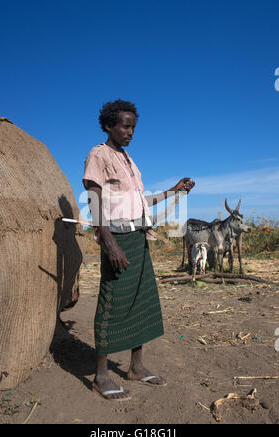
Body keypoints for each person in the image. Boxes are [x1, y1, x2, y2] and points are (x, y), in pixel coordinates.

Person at [83, 99, 195, 400]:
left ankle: (136, 367)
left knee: (141, 303)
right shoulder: (99, 154)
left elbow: (141, 201)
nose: (130, 131)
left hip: (139, 238)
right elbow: (95, 204)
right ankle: (102, 374)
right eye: (125, 125)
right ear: (109, 125)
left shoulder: (129, 160)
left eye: (133, 127)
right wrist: (110, 243)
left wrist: (175, 189)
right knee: (112, 301)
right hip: (117, 240)